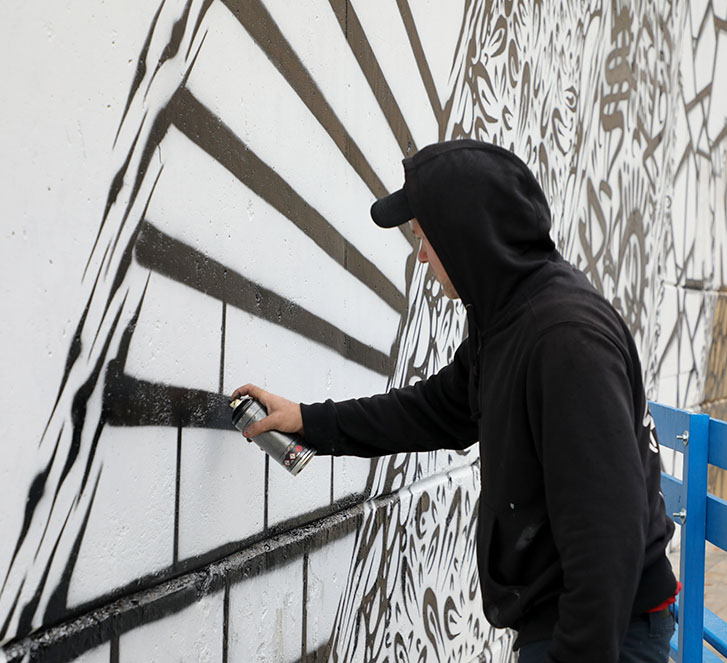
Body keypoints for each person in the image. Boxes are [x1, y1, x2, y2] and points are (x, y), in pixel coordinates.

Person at [232, 139, 678, 663]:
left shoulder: (564, 341)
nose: (421, 253)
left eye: (425, 237)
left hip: (605, 631)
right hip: (576, 620)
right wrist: (308, 421)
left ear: (467, 235)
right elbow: (433, 409)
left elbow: (608, 536)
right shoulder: (511, 315)